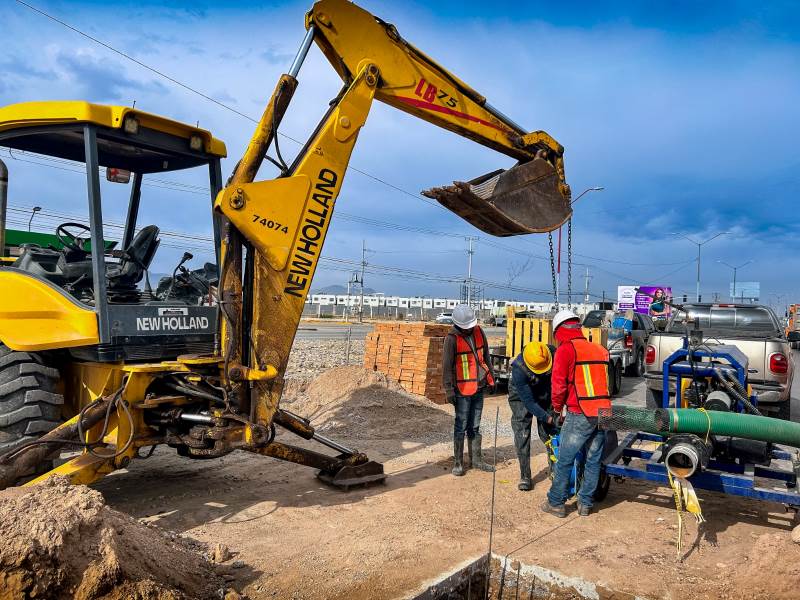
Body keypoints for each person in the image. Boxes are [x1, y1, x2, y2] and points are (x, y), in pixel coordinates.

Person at [541, 309, 611, 517]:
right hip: (604, 411)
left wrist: (556, 408)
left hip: (581, 411)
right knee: (593, 459)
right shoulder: (599, 349)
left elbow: (559, 385)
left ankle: (556, 502)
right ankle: (585, 504)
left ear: (559, 331)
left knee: (565, 458)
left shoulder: (566, 350)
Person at [442, 304, 495, 476]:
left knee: (475, 425)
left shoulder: (479, 332)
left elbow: (486, 355)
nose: (469, 329)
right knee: (461, 426)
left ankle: (476, 460)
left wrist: (491, 378)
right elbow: (446, 367)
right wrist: (449, 390)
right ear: (457, 325)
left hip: (479, 386)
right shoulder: (451, 339)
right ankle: (458, 463)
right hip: (462, 390)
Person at [508, 341, 555, 491]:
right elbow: (529, 402)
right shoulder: (518, 370)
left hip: (544, 389)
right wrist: (547, 417)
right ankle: (525, 476)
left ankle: (555, 470)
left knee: (550, 432)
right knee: (522, 432)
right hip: (521, 395)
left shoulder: (551, 353)